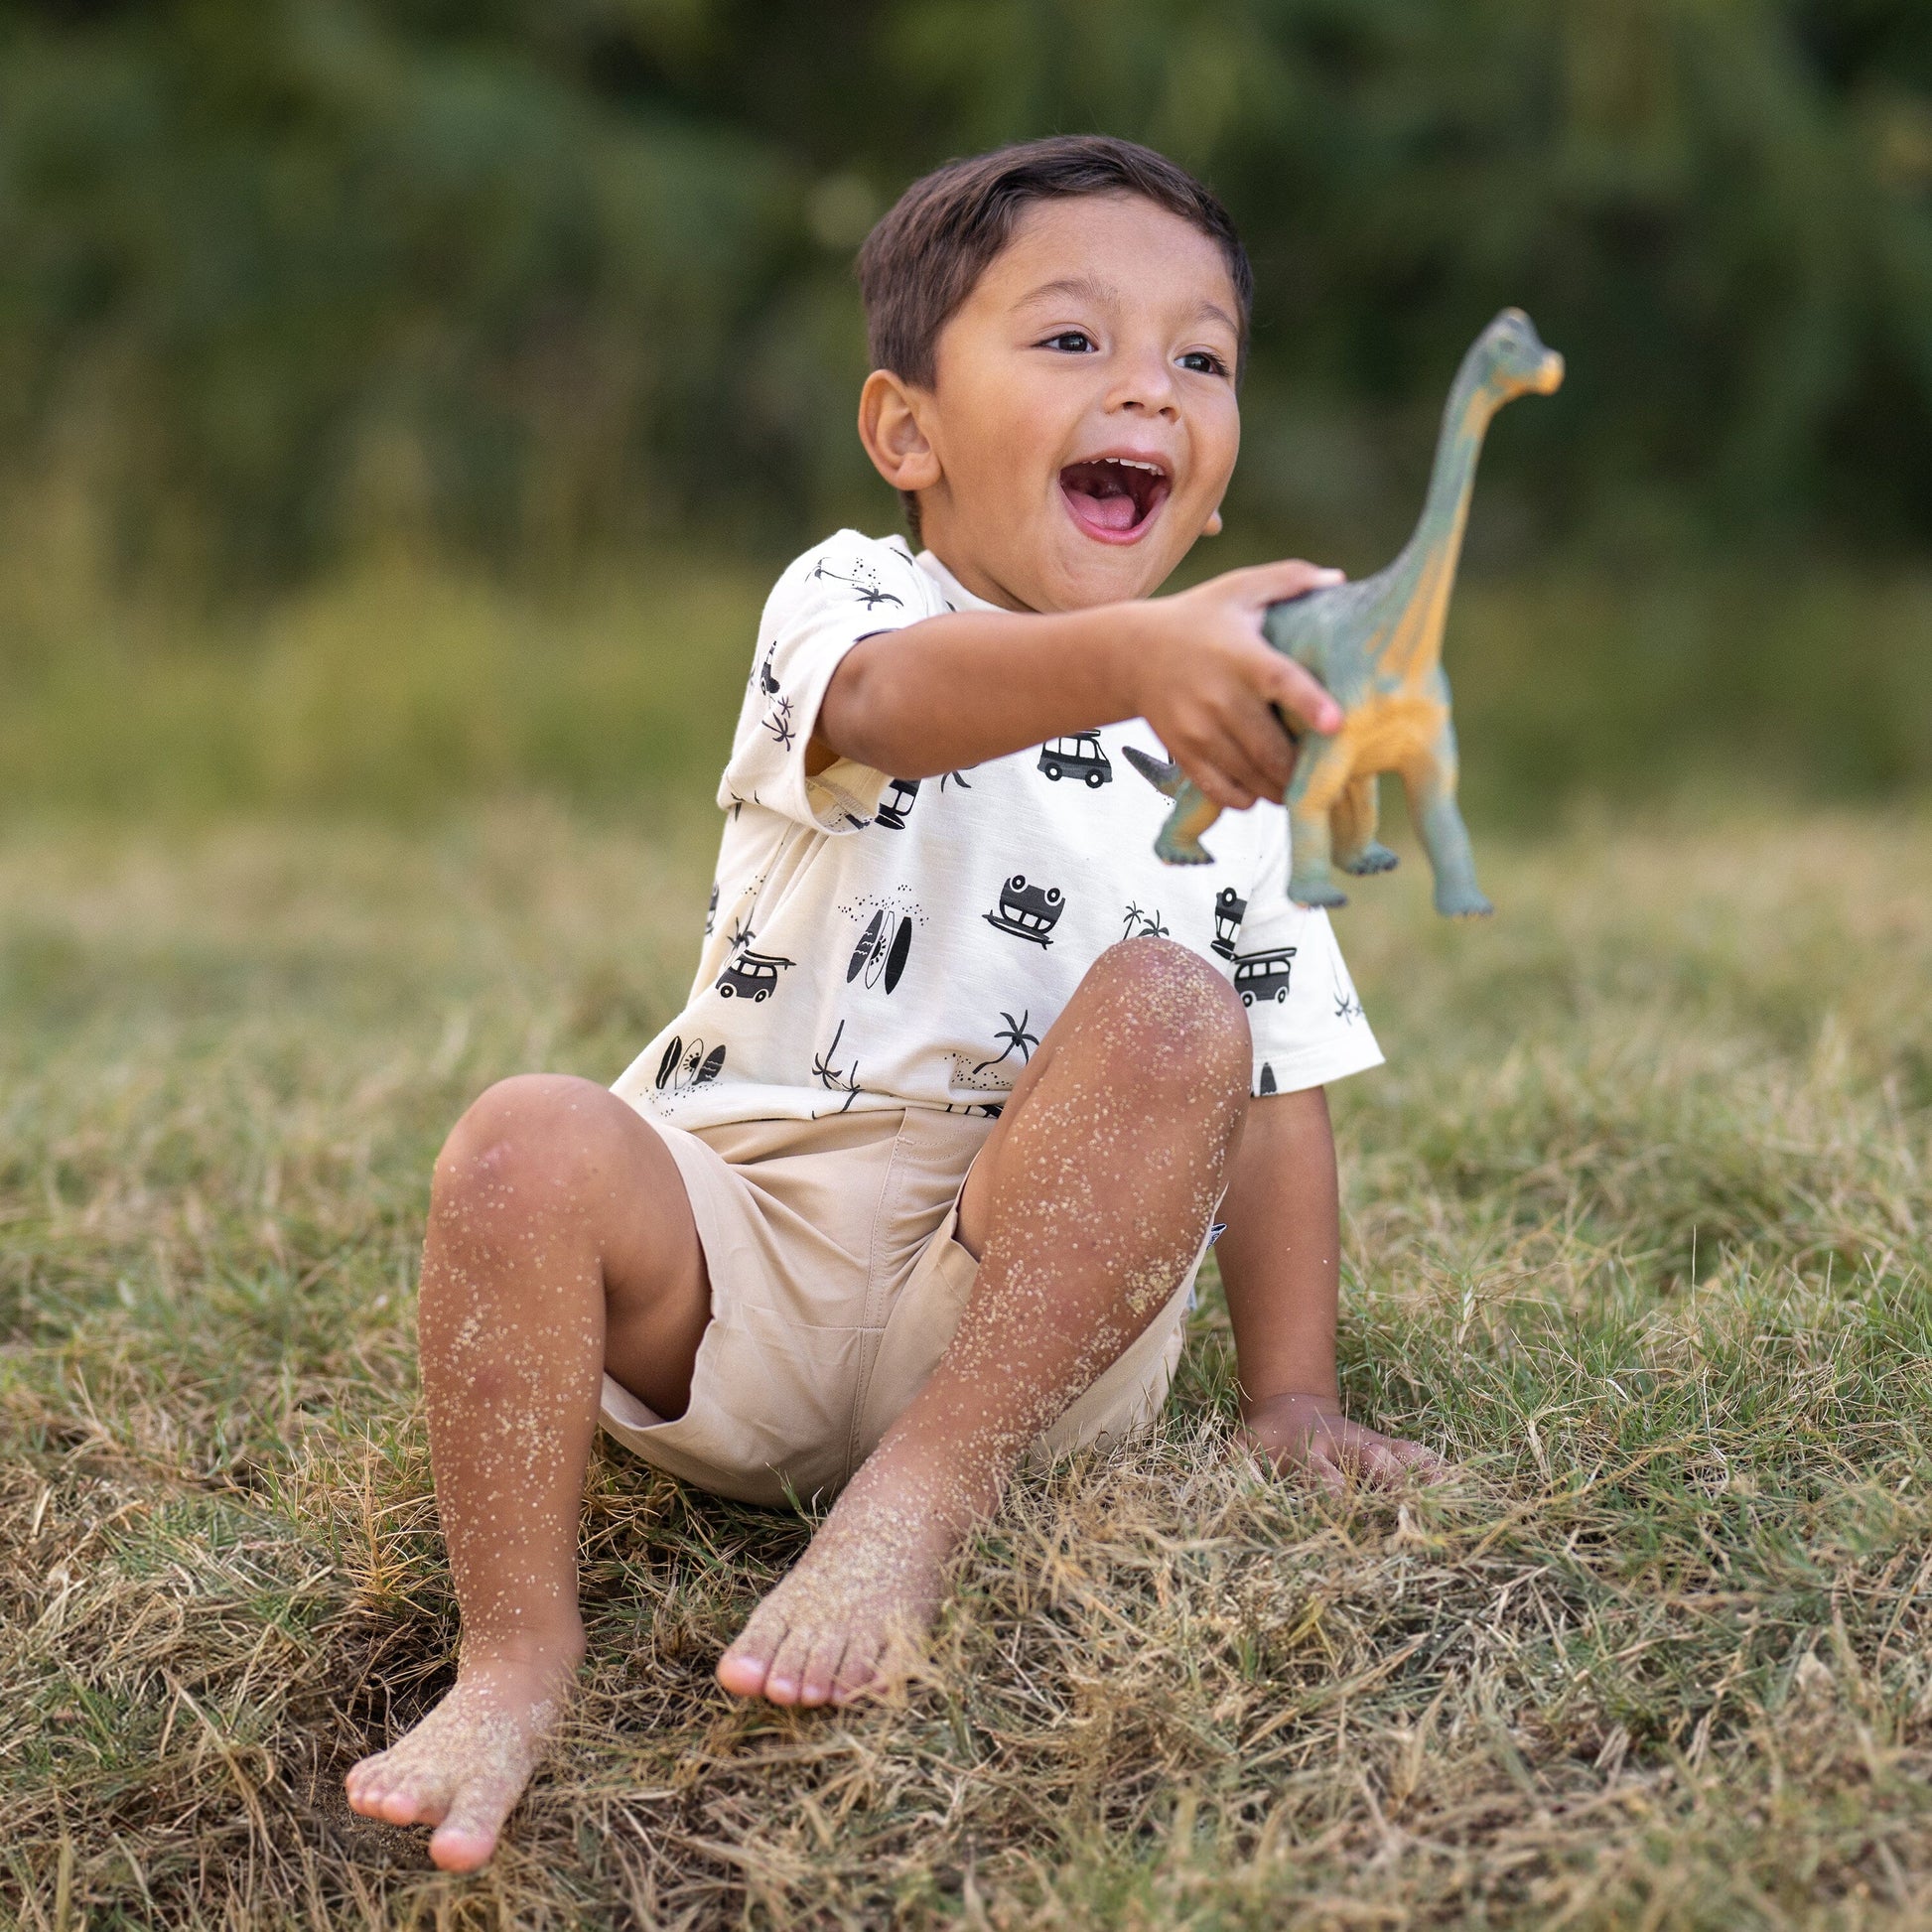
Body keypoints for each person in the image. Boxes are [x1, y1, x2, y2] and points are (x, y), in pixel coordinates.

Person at [345, 133, 1446, 1873]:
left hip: (1026, 1316)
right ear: (905, 432)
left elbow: (1280, 1076)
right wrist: (1137, 656)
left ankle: (913, 1503)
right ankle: (513, 1653)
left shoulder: (1228, 745)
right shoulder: (850, 599)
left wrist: (1289, 1394)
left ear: (1218, 482)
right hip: (736, 1260)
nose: (1146, 386)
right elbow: (900, 702)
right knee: (520, 1143)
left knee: (1181, 1009)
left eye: (1200, 357)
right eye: (1073, 340)